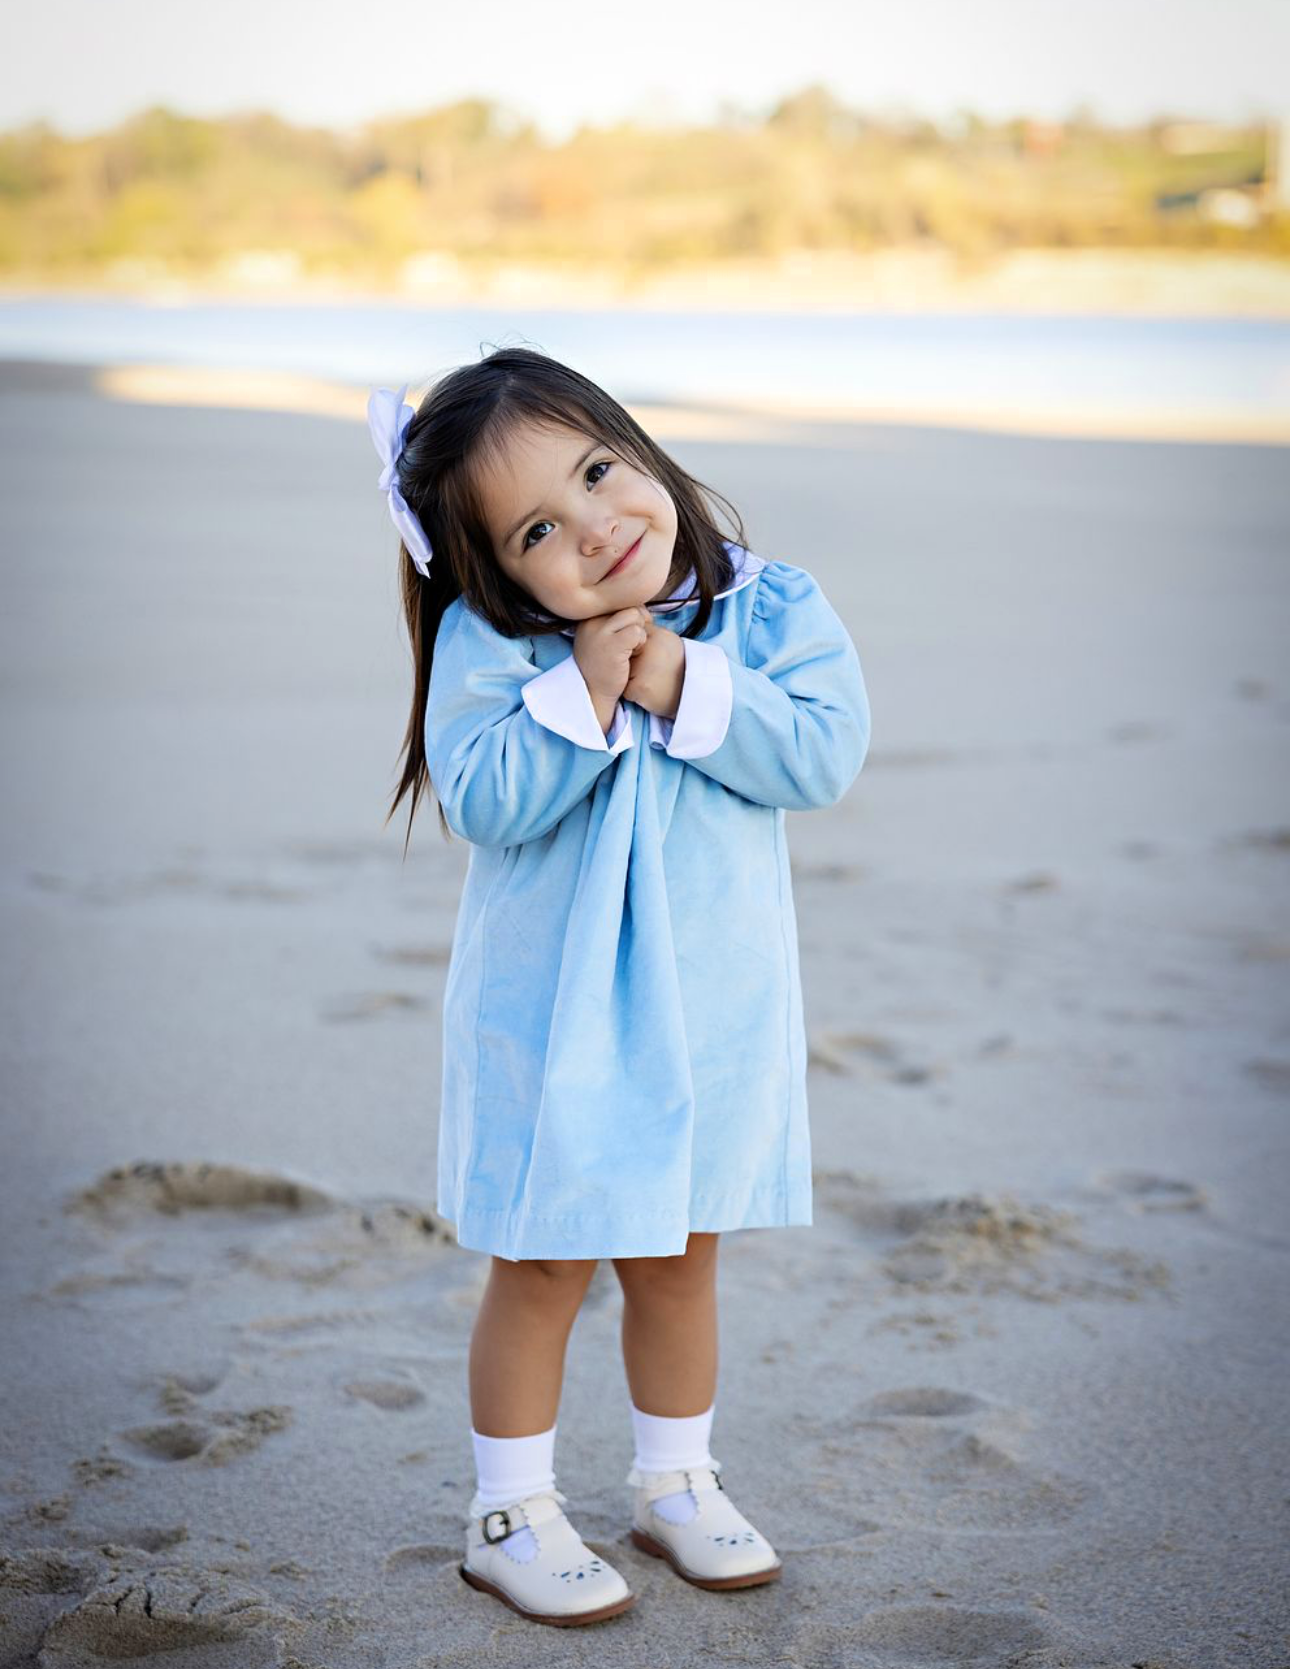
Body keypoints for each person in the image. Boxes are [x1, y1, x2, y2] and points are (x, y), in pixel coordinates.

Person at [367, 346, 871, 1627]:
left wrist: (681, 678)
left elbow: (823, 753)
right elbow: (485, 797)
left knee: (682, 1254)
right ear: (494, 572)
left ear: (639, 445)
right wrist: (585, 688)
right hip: (555, 1016)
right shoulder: (495, 645)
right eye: (538, 529)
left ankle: (674, 1480)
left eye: (598, 472)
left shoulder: (766, 607)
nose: (593, 527)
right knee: (545, 1261)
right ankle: (508, 1511)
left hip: (711, 1009)